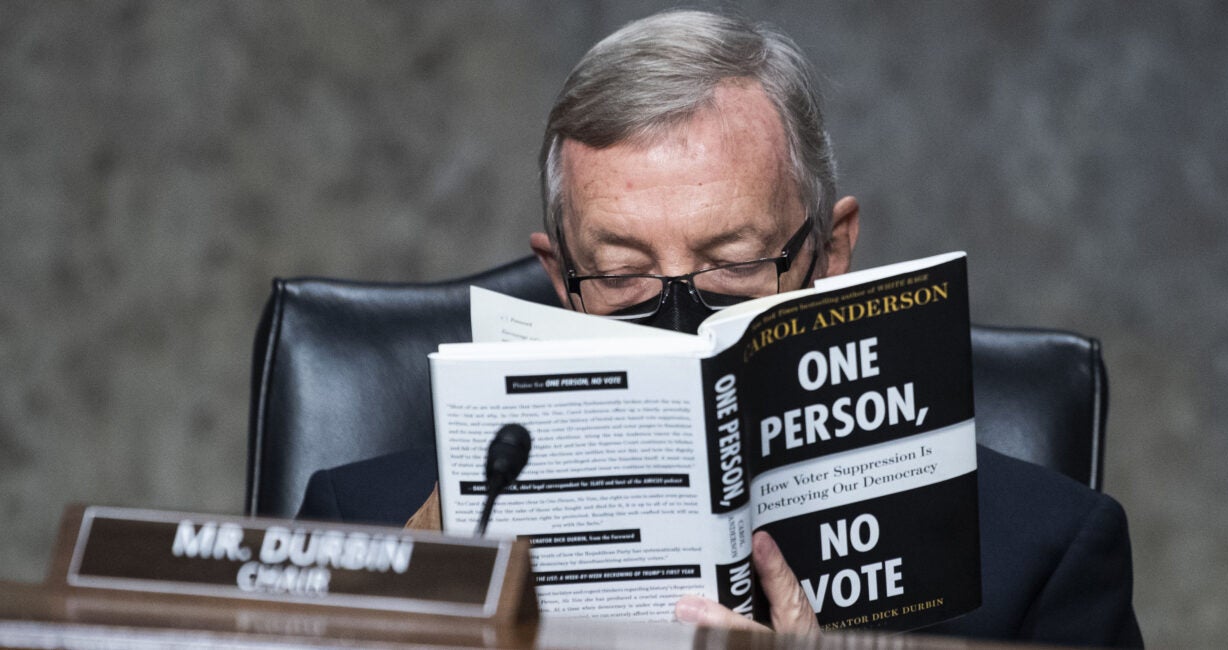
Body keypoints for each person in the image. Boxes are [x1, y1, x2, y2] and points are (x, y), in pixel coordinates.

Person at [298, 9, 1142, 647]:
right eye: (621, 273)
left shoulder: (1043, 558)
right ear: (561, 280)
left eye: (734, 265)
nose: (678, 325)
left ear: (831, 251)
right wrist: (399, 617)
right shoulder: (366, 525)